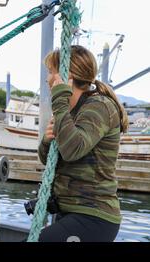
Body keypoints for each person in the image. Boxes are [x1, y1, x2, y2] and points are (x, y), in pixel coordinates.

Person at [37, 45, 128, 242]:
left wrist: (60, 101)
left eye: (51, 72)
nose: (47, 79)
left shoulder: (99, 106)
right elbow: (48, 159)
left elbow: (73, 150)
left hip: (94, 216)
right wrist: (47, 140)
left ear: (66, 74)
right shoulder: (71, 111)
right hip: (69, 211)